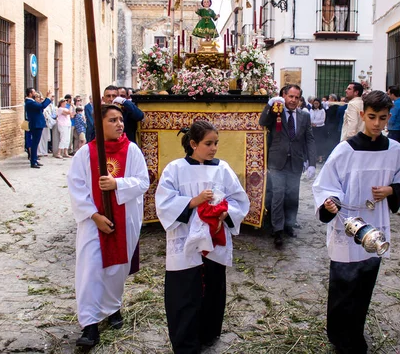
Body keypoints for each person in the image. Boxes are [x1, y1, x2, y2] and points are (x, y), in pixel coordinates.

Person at [312, 90, 400, 354]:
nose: (377, 124)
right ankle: (338, 335)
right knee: (343, 282)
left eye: (382, 118)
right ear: (362, 115)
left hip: (375, 222)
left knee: (364, 281)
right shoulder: (345, 150)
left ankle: (355, 333)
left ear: (389, 118)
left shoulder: (395, 150)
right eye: (372, 117)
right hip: (348, 223)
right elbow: (325, 185)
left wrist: (391, 190)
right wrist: (329, 202)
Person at [155, 120, 250, 353]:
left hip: (214, 239)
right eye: (208, 143)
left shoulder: (222, 168)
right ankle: (185, 341)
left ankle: (208, 333)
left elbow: (240, 199)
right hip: (185, 240)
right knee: (184, 292)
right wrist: (193, 201)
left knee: (213, 289)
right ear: (193, 143)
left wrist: (225, 213)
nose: (214, 148)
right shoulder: (175, 169)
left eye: (216, 143)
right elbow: (163, 203)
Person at [67, 104, 149, 347]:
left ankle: (112, 307)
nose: (119, 124)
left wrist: (117, 184)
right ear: (100, 124)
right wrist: (94, 216)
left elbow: (143, 181)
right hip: (94, 222)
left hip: (125, 220)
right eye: (112, 120)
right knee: (90, 269)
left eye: (120, 119)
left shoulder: (132, 150)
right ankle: (90, 324)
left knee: (117, 269)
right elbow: (77, 187)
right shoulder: (85, 153)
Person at [259, 84, 316, 247]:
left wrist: (311, 162)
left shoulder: (304, 116)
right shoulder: (277, 111)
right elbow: (262, 122)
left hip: (296, 161)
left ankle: (289, 224)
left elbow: (309, 139)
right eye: (290, 96)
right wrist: (269, 106)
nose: (293, 100)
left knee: (292, 195)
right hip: (277, 161)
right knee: (278, 194)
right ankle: (277, 230)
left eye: (297, 97)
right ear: (284, 96)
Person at [24, 88, 52, 168]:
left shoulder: (32, 102)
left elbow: (40, 107)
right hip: (36, 124)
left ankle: (35, 159)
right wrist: (48, 98)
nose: (35, 93)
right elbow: (42, 106)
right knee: (34, 143)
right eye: (33, 92)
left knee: (36, 143)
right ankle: (33, 162)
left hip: (37, 124)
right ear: (30, 94)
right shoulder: (29, 102)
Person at [309, 97, 326, 163]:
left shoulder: (322, 110)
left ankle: (320, 157)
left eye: (317, 103)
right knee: (313, 143)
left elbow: (322, 120)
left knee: (319, 143)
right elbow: (310, 118)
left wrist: (315, 123)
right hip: (313, 128)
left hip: (320, 128)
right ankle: (314, 157)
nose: (316, 105)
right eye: (314, 103)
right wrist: (312, 123)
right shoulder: (311, 110)